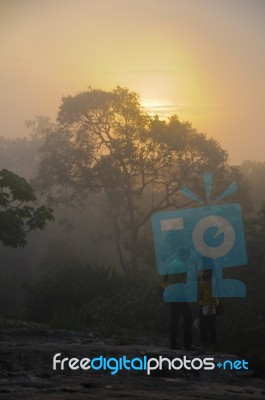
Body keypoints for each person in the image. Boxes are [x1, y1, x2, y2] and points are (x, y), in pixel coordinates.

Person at [163, 248, 193, 350]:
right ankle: (187, 345)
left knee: (174, 318)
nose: (188, 258)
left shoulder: (173, 263)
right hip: (179, 295)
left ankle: (173, 344)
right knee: (188, 318)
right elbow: (182, 283)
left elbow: (167, 278)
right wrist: (188, 288)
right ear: (184, 255)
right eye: (187, 256)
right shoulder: (181, 265)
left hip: (171, 294)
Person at [198, 257, 220, 351]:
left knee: (210, 326)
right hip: (202, 304)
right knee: (202, 325)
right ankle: (204, 346)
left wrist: (211, 307)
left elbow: (213, 292)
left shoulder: (212, 276)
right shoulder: (203, 275)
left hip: (210, 304)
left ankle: (213, 346)